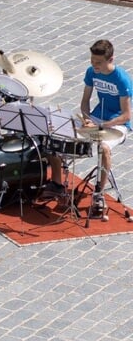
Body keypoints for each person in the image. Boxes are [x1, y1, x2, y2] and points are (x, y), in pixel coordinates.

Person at [45, 39, 130, 218]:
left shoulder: (121, 79)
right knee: (56, 131)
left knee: (104, 148)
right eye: (92, 61)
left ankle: (99, 193)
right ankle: (57, 184)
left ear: (110, 60)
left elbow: (126, 115)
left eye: (98, 62)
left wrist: (101, 125)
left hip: (117, 124)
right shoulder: (91, 72)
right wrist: (85, 118)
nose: (94, 65)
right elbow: (85, 101)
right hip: (96, 118)